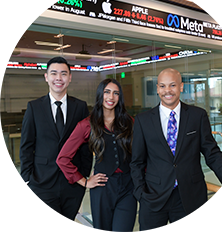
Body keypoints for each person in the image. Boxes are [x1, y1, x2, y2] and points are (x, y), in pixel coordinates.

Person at [130, 68, 222, 232]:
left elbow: (212, 153)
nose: (167, 91)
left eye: (172, 85)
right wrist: (140, 194)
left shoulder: (197, 116)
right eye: (163, 86)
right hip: (153, 196)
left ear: (181, 86)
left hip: (188, 197)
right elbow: (137, 162)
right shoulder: (143, 120)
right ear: (157, 88)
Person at [19, 56, 93, 232]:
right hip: (42, 184)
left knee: (68, 228)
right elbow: (26, 146)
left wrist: (82, 176)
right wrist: (29, 180)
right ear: (46, 77)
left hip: (72, 183)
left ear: (70, 77)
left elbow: (86, 147)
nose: (58, 78)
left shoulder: (80, 106)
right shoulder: (34, 107)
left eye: (63, 73)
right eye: (54, 73)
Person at [56, 78, 137, 232]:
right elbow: (63, 158)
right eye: (107, 92)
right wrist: (84, 182)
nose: (111, 97)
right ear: (100, 94)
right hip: (102, 187)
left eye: (116, 93)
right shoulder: (86, 124)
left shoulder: (130, 122)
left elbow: (142, 153)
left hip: (128, 186)